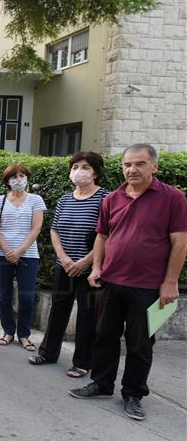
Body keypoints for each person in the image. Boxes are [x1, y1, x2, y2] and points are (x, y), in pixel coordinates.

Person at [69, 144, 187, 422]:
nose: (132, 170)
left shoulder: (173, 198)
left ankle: (133, 394)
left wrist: (170, 282)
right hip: (110, 280)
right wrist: (97, 267)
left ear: (154, 167)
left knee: (140, 343)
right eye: (127, 165)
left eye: (140, 164)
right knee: (104, 336)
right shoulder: (112, 199)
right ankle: (101, 383)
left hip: (148, 286)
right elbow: (102, 237)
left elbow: (180, 242)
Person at [29, 152, 109, 377]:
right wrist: (63, 258)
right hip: (63, 265)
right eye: (75, 167)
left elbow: (108, 235)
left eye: (85, 167)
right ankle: (47, 352)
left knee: (87, 313)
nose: (78, 171)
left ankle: (83, 361)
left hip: (91, 268)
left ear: (95, 171)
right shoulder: (66, 198)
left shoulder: (105, 198)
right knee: (59, 309)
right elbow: (55, 230)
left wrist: (86, 261)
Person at [0, 163, 47, 351]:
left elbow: (36, 228)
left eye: (22, 176)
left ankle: (24, 334)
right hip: (2, 254)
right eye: (14, 177)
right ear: (7, 181)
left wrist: (20, 251)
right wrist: (8, 250)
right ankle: (8, 331)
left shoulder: (35, 200)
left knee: (27, 296)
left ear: (27, 178)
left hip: (28, 255)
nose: (19, 180)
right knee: (4, 295)